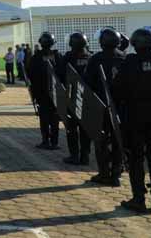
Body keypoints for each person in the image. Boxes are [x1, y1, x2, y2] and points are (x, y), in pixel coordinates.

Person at [113, 28, 151, 214]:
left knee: (136, 159)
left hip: (135, 119)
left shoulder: (130, 61)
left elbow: (117, 90)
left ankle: (138, 199)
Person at [84, 27, 125, 187]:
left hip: (100, 107)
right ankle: (116, 173)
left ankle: (104, 173)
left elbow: (88, 84)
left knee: (101, 141)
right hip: (120, 107)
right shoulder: (124, 58)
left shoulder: (96, 59)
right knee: (118, 141)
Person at [58, 32, 92, 165]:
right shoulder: (91, 57)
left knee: (72, 129)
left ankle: (74, 155)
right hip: (88, 99)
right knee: (86, 129)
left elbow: (59, 75)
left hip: (72, 97)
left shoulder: (68, 57)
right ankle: (85, 156)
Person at [28, 32, 61, 150]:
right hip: (56, 93)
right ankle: (55, 142)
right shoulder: (58, 56)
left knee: (44, 118)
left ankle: (46, 141)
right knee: (55, 118)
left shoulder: (36, 57)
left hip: (41, 93)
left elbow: (30, 75)